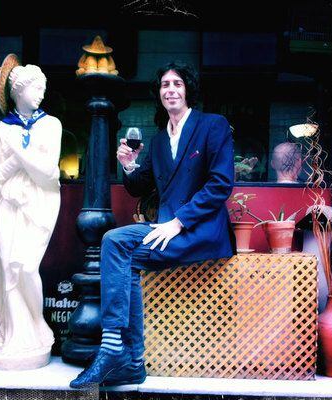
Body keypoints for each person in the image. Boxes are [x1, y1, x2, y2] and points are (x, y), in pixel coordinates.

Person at [70, 61, 235, 388]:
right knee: (119, 250)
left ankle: (116, 350)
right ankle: (129, 360)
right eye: (164, 85)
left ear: (188, 90)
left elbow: (221, 183)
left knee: (116, 243)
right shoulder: (159, 141)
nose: (170, 89)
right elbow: (140, 186)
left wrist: (179, 222)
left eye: (177, 83)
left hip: (198, 231)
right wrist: (130, 166)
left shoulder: (212, 126)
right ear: (159, 94)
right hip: (166, 229)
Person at [0, 54, 62, 369]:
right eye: (36, 88)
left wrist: (17, 155)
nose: (41, 94)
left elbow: (48, 174)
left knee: (26, 267)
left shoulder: (51, 125)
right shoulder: (1, 129)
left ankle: (38, 325)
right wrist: (15, 164)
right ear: (19, 92)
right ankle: (11, 334)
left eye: (43, 87)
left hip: (39, 206)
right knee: (5, 272)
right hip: (7, 208)